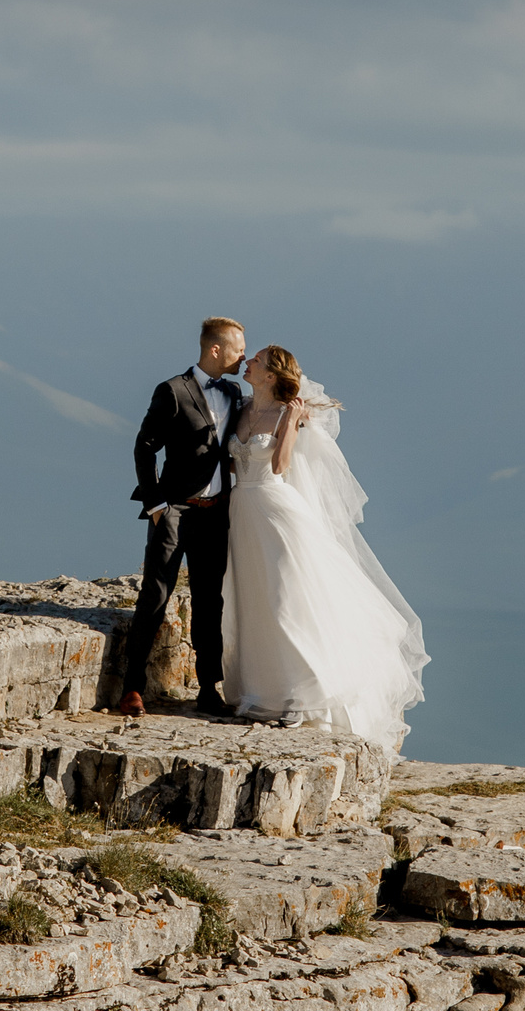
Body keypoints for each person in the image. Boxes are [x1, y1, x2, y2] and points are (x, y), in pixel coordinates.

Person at [222, 344, 427, 751]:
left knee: (285, 598)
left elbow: (281, 465)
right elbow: (231, 461)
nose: (247, 363)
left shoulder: (287, 413)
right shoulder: (240, 408)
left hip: (275, 507)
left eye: (255, 360)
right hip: (242, 511)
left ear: (270, 374)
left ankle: (305, 694)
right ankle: (264, 693)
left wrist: (292, 423)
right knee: (254, 599)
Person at [119, 316, 249, 718]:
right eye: (238, 348)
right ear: (215, 350)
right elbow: (144, 446)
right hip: (173, 511)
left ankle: (208, 690)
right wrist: (157, 505)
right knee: (155, 597)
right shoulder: (173, 391)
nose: (243, 356)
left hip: (216, 515)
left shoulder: (233, 392)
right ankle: (132, 689)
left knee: (210, 602)